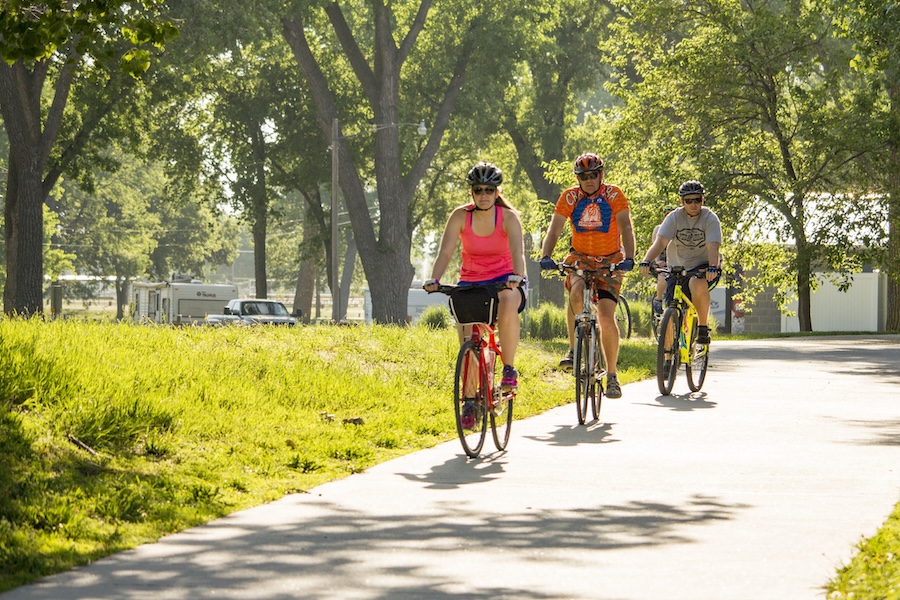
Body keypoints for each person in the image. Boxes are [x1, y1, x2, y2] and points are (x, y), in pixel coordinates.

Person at [538, 153, 636, 399]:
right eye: (584, 176)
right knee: (576, 291)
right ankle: (573, 349)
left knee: (605, 314)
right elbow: (555, 228)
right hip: (580, 256)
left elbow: (625, 226)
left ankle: (612, 376)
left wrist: (630, 257)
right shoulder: (570, 197)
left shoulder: (614, 194)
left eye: (593, 175)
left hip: (611, 259)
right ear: (578, 179)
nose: (589, 180)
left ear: (601, 175)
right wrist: (546, 255)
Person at [423, 161, 527, 390]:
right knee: (469, 339)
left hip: (505, 281)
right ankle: (470, 400)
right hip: (472, 282)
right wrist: (435, 279)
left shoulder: (508, 218)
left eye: (489, 190)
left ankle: (508, 369)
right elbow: (446, 251)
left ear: (497, 192)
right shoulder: (460, 216)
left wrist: (517, 277)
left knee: (508, 300)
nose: (483, 195)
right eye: (478, 189)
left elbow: (518, 253)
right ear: (471, 191)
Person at [639, 180, 722, 345]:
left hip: (703, 266)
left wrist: (712, 267)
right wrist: (646, 261)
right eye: (688, 201)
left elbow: (713, 247)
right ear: (681, 201)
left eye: (697, 200)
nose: (693, 204)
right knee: (671, 311)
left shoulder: (710, 218)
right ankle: (668, 360)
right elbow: (660, 242)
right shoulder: (674, 218)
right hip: (677, 267)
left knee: (697, 282)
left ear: (702, 200)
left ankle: (703, 329)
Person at [651, 207, 676, 320]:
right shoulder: (659, 229)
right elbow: (655, 246)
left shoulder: (679, 228)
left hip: (675, 261)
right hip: (662, 261)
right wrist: (658, 261)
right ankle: (658, 299)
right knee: (663, 278)